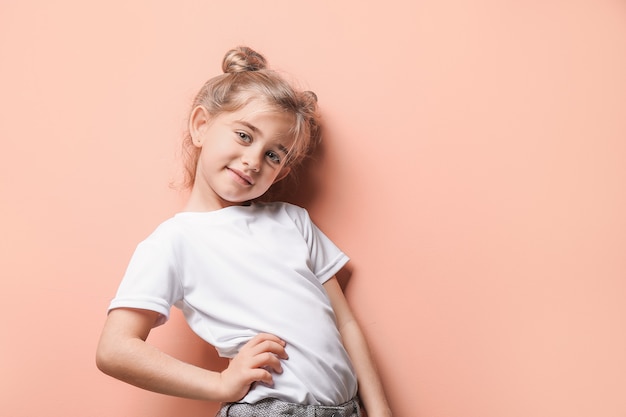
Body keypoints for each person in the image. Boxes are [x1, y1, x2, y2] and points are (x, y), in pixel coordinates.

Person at [96, 46, 392, 417]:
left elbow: (344, 322)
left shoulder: (293, 221)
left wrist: (379, 411)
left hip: (345, 409)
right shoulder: (174, 242)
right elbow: (114, 349)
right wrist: (219, 384)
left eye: (274, 154)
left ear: (281, 172)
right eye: (244, 135)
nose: (254, 160)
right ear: (201, 126)